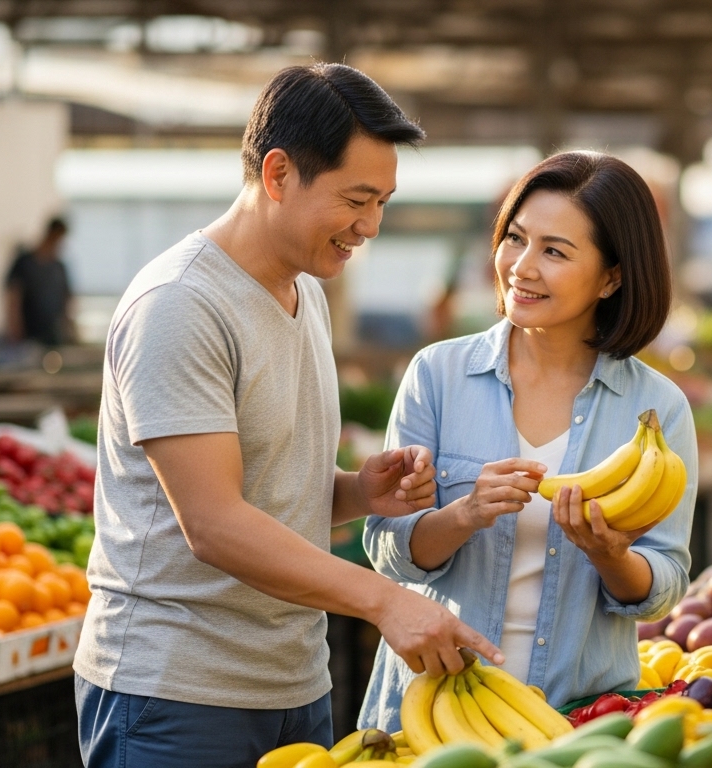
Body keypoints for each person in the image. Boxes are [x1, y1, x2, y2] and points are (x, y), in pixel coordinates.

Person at [73, 64, 502, 768]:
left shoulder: (306, 293)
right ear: (278, 174)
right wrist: (385, 601)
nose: (370, 226)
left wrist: (358, 493)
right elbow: (213, 522)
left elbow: (266, 493)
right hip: (176, 696)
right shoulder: (181, 305)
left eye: (383, 202)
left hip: (292, 684)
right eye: (356, 199)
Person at [358, 152, 697, 730]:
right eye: (515, 238)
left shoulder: (658, 409)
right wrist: (462, 514)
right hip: (434, 712)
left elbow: (664, 585)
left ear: (612, 276)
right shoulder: (436, 376)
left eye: (555, 251)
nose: (521, 266)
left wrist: (610, 555)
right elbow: (387, 547)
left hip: (576, 720)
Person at [5, 217, 76, 346]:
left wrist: (69, 331)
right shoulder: (25, 263)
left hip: (53, 337)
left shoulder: (59, 268)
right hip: (27, 338)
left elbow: (67, 301)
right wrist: (14, 330)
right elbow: (13, 298)